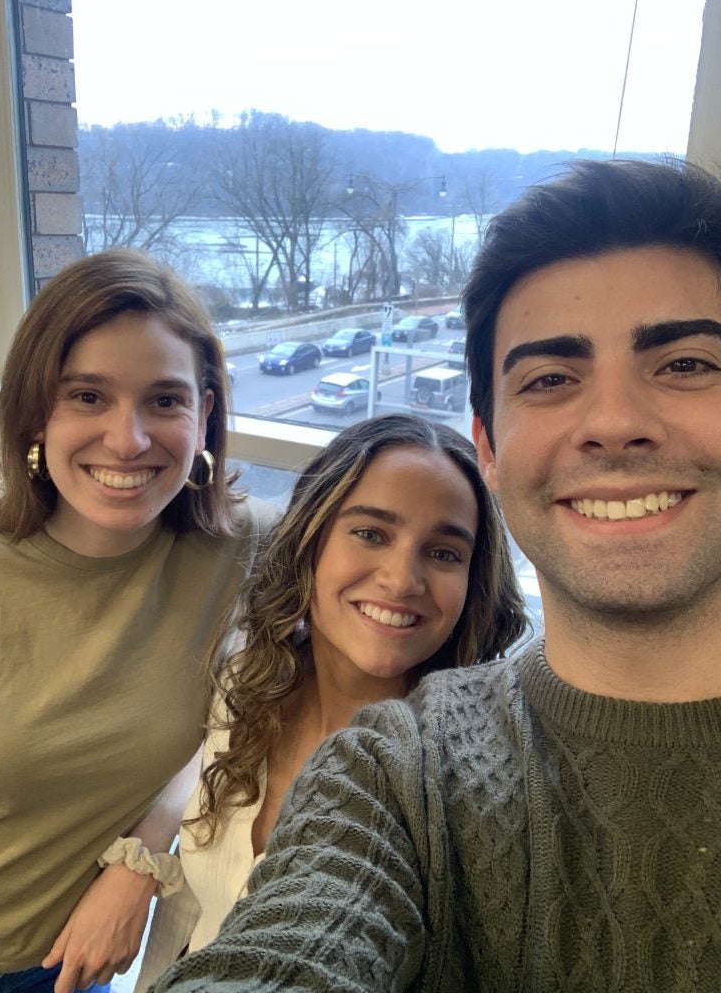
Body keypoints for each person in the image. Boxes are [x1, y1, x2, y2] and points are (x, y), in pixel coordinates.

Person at [150, 157, 721, 993]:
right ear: (491, 446)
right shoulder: (398, 771)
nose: (614, 424)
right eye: (551, 378)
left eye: (686, 364)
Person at [0, 248, 274, 993]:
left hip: (73, 968)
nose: (128, 440)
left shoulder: (247, 549)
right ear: (36, 411)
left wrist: (143, 853)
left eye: (164, 401)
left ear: (205, 416)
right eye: (88, 397)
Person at [135, 413, 528, 986]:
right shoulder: (247, 681)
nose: (401, 580)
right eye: (371, 533)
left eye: (444, 553)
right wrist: (138, 867)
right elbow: (196, 911)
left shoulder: (468, 783)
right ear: (311, 540)